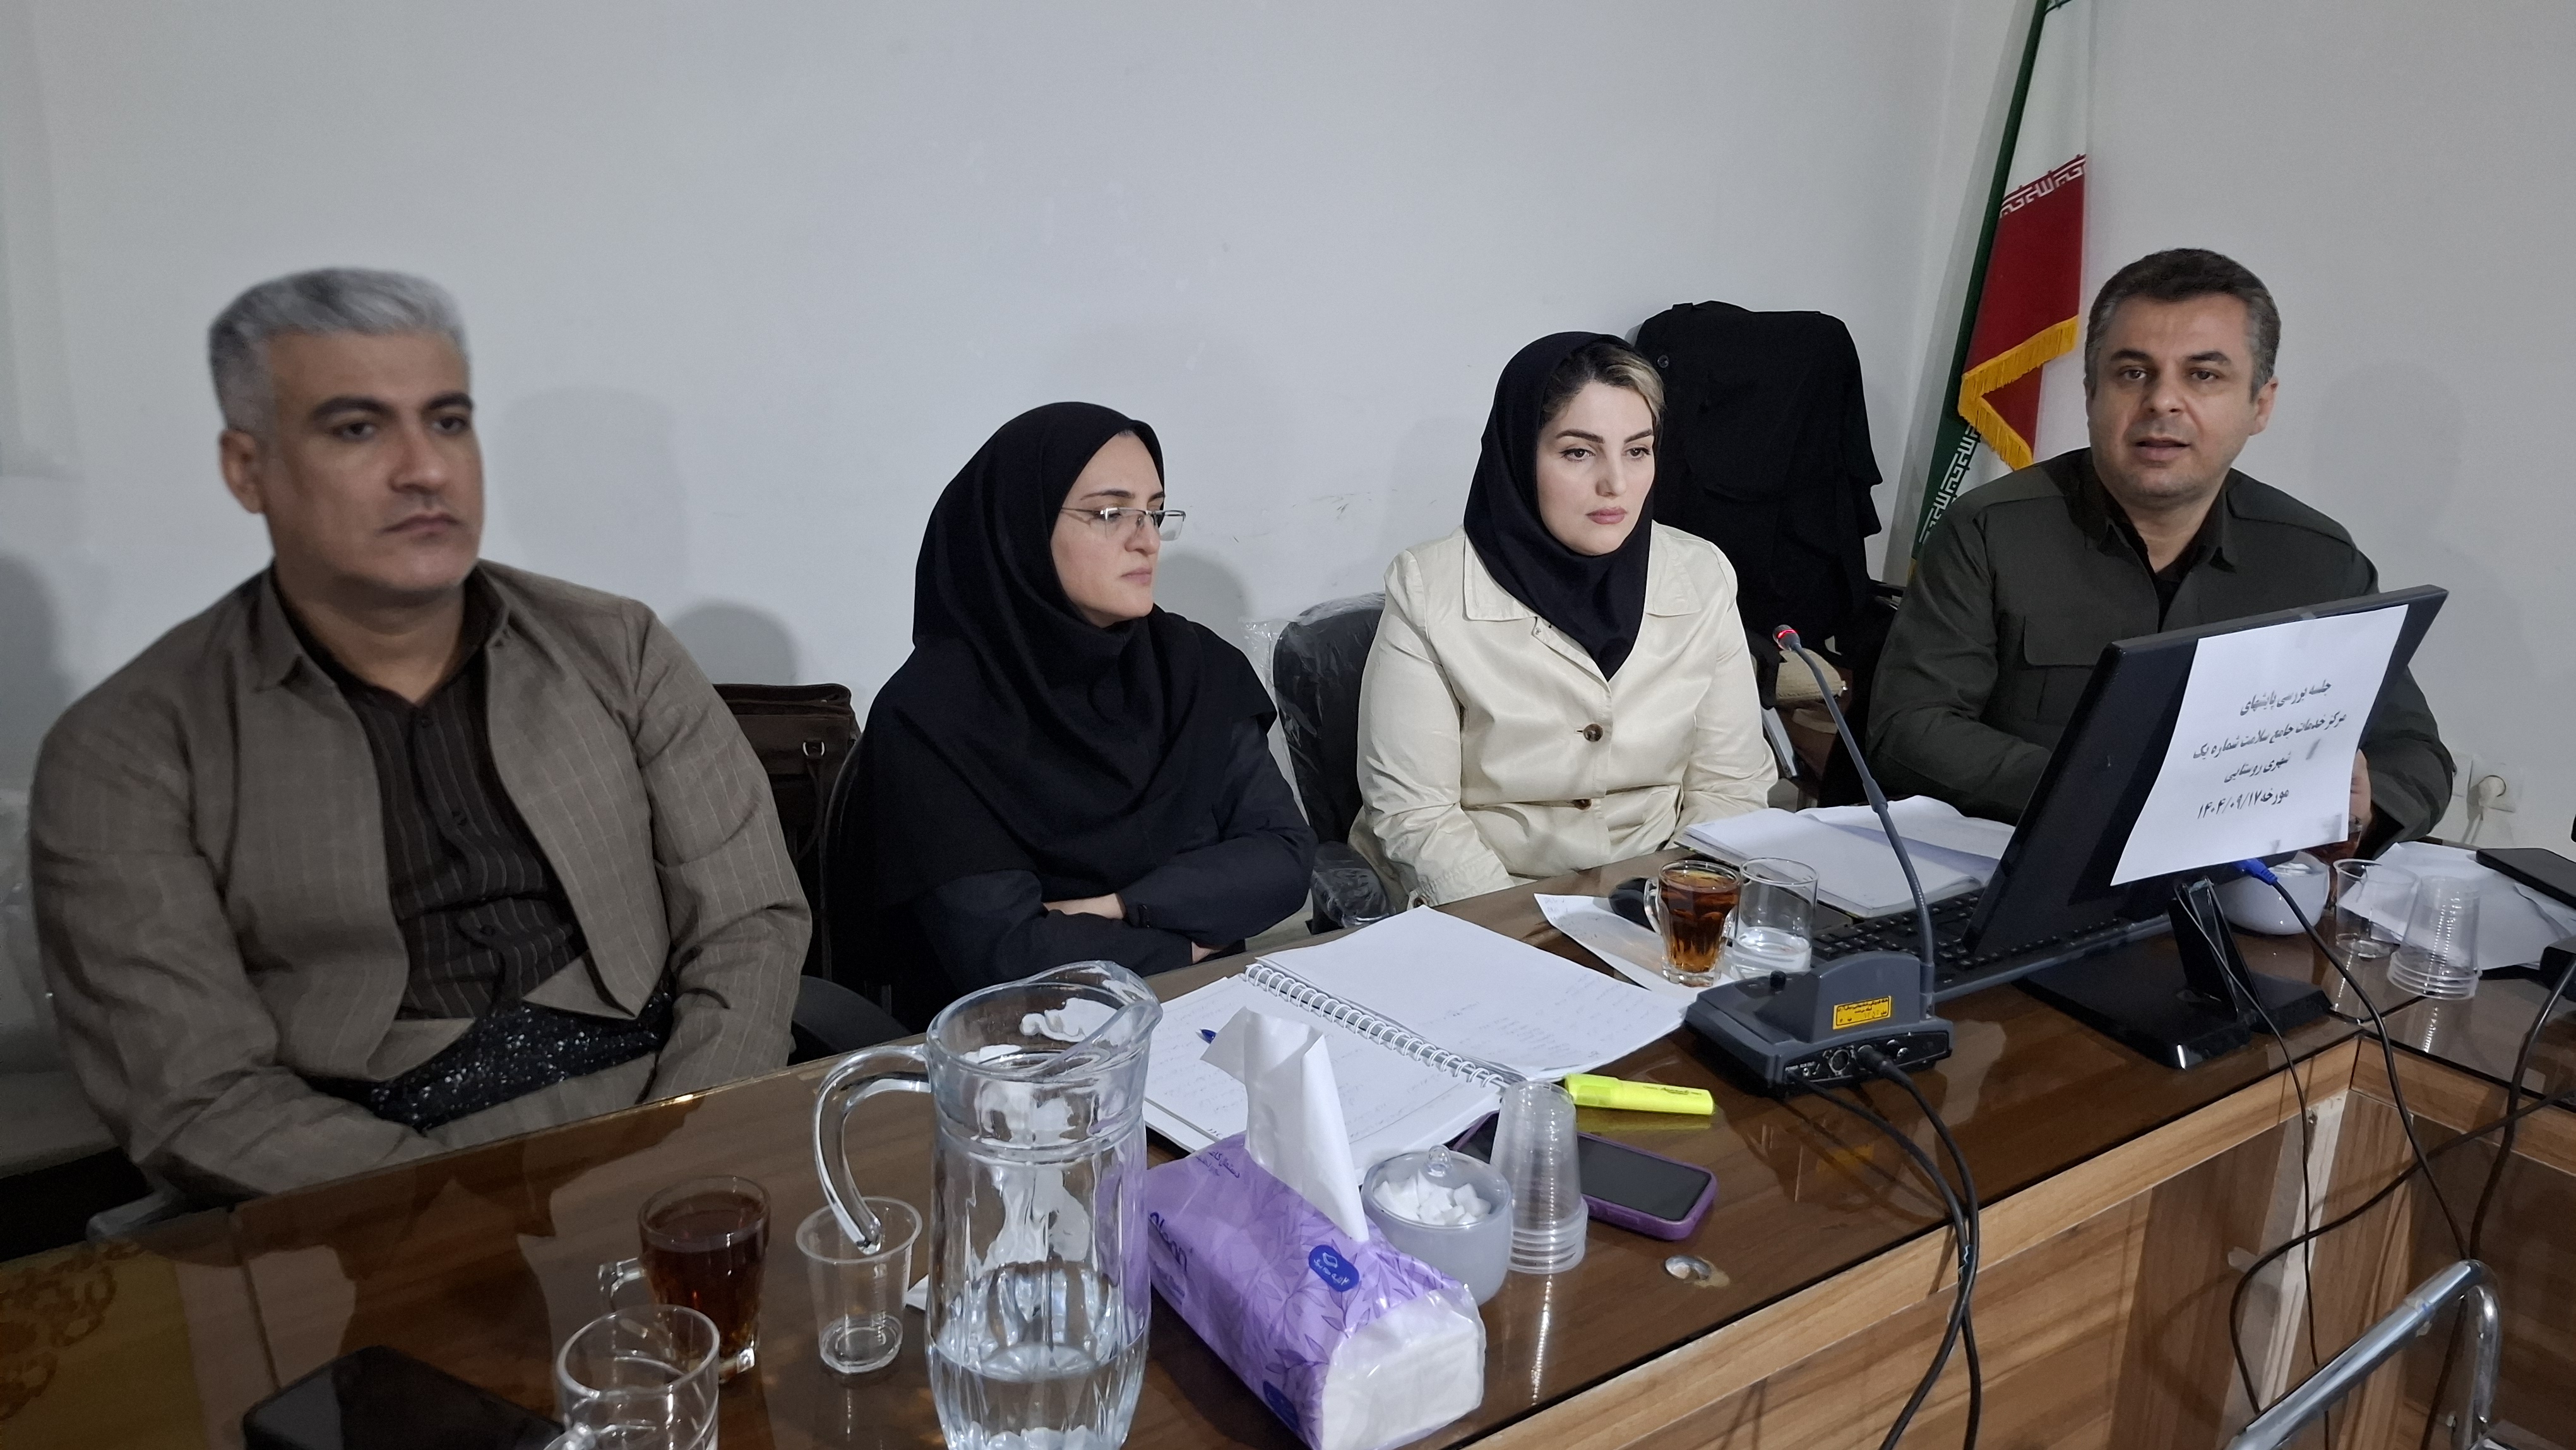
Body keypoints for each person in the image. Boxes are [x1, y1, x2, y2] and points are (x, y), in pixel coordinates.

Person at [30, 268, 807, 1201]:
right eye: (357, 429)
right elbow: (194, 1091)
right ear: (248, 468)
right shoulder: (127, 749)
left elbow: (749, 923)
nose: (426, 469)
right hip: (355, 1184)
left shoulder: (616, 647)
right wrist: (459, 1223)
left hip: (669, 1104)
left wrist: (686, 1150)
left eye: (447, 421)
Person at [1870, 248, 2453, 848]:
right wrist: (2115, 795)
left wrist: (2364, 807)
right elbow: (1911, 729)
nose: (2162, 402)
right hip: (2020, 861)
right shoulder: (1990, 530)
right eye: (2132, 373)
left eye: (2203, 375)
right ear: (2091, 393)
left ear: (2260, 404)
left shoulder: (2319, 560)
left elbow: (2414, 752)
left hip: (2237, 879)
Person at [846, 402, 1315, 1024]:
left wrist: (1119, 906)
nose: (1147, 540)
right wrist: (1190, 941)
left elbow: (1285, 860)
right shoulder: (930, 715)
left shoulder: (1194, 668)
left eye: (1154, 512)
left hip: (1209, 1019)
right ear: (1022, 528)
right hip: (1020, 1049)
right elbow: (1010, 958)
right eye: (1109, 513)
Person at [1354, 333, 1777, 906]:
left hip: (1659, 891)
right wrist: (1521, 934)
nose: (1616, 484)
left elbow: (1730, 784)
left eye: (1638, 451)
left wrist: (1676, 907)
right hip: (1491, 900)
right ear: (1517, 455)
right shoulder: (1427, 588)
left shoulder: (1702, 575)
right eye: (1579, 452)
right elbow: (1417, 814)